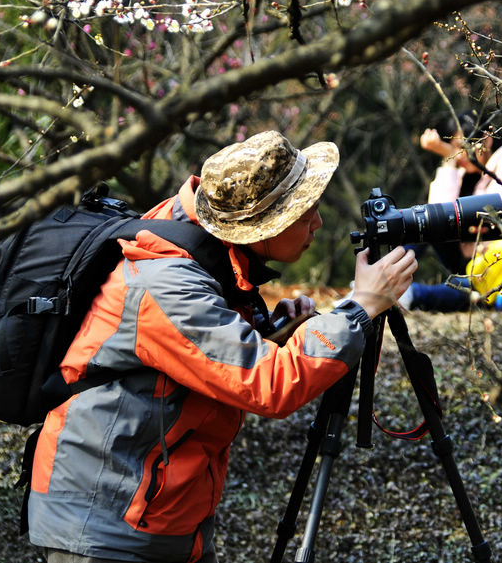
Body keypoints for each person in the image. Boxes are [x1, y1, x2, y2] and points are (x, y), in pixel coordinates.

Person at [27, 131, 417, 563]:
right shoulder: (167, 283)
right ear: (263, 225)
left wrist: (273, 330)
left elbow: (205, 358)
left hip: (162, 513)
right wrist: (362, 308)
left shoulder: (205, 246)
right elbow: (269, 384)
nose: (318, 223)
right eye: (306, 211)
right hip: (105, 524)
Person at [401, 111, 502, 311]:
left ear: (487, 139)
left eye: (462, 147)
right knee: (424, 224)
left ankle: (408, 294)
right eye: (454, 148)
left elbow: (490, 217)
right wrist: (449, 162)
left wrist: (449, 156)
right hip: (488, 263)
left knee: (470, 288)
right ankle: (388, 276)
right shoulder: (476, 176)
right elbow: (437, 217)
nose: (459, 155)